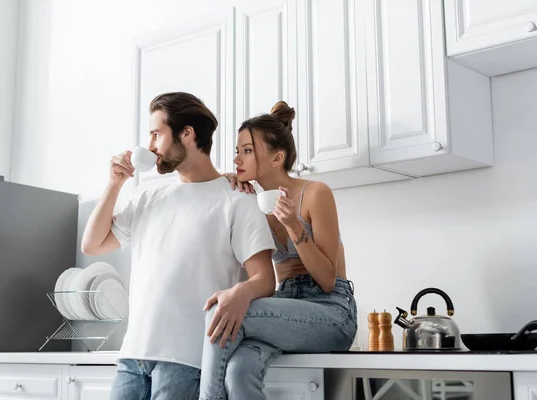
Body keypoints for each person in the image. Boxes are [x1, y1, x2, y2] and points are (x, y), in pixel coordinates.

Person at [81, 92, 277, 400]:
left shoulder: (236, 199)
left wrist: (241, 292)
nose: (150, 146)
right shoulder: (149, 198)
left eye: (156, 134)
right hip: (132, 357)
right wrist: (114, 183)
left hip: (188, 361)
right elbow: (92, 244)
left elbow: (265, 279)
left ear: (186, 134)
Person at [199, 101, 357, 400]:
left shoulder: (314, 193)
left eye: (246, 150)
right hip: (284, 306)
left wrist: (294, 227)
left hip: (331, 312)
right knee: (239, 370)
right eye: (237, 150)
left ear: (277, 158)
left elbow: (326, 280)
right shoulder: (253, 203)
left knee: (223, 311)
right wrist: (225, 181)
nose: (236, 158)